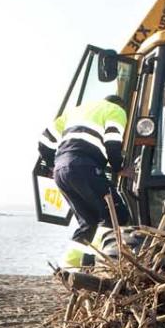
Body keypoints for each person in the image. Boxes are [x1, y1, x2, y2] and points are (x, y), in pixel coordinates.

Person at [37, 96, 133, 265]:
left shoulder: (75, 111)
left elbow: (44, 142)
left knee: (89, 223)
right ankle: (91, 263)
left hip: (61, 171)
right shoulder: (116, 111)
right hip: (84, 168)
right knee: (116, 214)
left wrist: (53, 166)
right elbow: (112, 143)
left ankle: (69, 267)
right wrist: (119, 168)